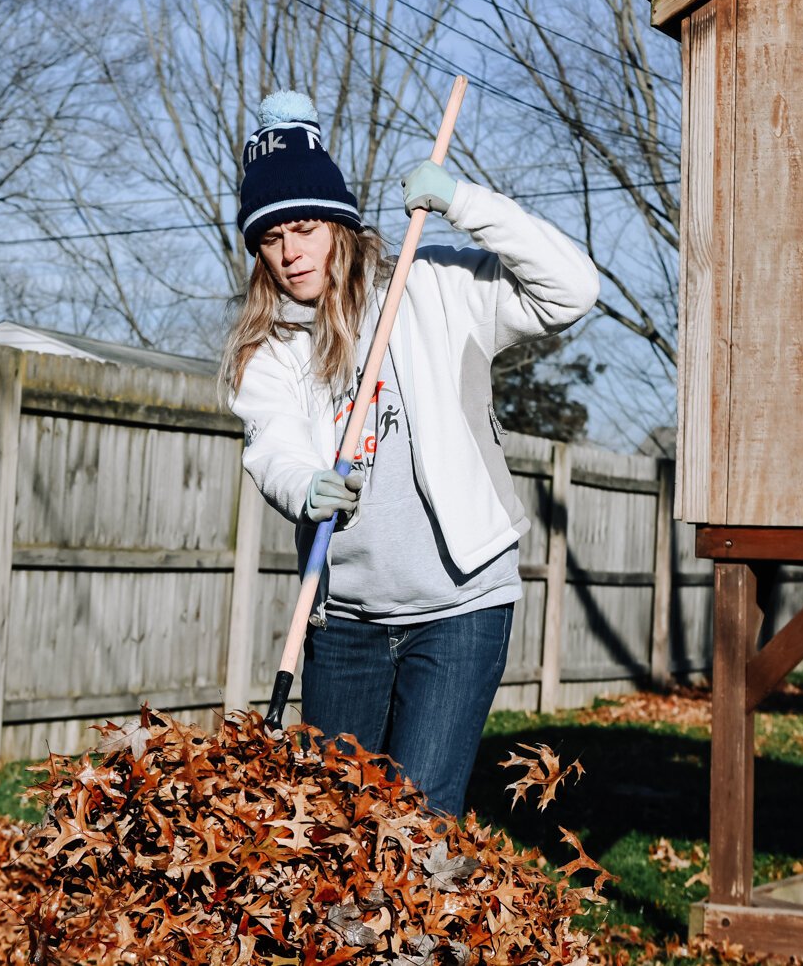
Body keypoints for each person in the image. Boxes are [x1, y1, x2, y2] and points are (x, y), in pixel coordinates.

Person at [224, 90, 599, 817]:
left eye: (304, 227)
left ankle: (433, 938)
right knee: (335, 819)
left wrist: (466, 202)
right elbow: (272, 441)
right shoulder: (271, 347)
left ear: (336, 222)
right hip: (345, 621)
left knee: (420, 822)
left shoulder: (435, 286)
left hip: (459, 604)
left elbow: (573, 289)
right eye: (271, 238)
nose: (290, 251)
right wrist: (305, 485)